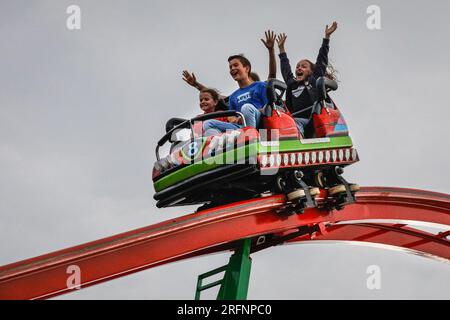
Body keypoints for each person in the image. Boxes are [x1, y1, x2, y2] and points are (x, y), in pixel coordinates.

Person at [276, 22, 338, 137]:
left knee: (296, 122)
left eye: (303, 66)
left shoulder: (314, 80)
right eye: (298, 66)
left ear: (311, 71)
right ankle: (294, 138)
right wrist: (281, 49)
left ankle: (299, 137)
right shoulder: (292, 84)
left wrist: (327, 38)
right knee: (292, 122)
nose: (299, 68)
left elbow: (321, 60)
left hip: (314, 119)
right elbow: (286, 69)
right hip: (298, 120)